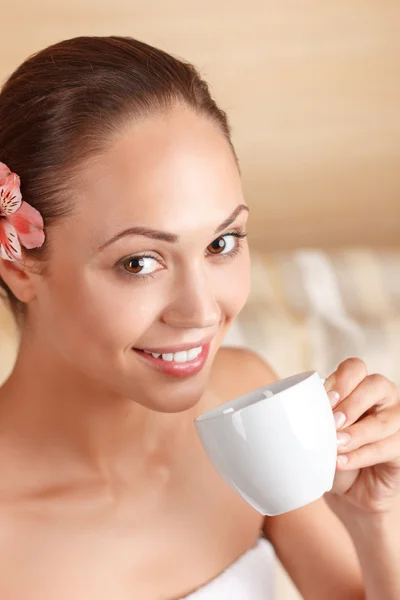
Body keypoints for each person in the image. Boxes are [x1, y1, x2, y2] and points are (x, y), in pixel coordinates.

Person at [0, 35, 399, 600]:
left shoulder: (249, 413)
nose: (204, 310)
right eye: (138, 262)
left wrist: (374, 521)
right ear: (17, 266)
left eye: (222, 243)